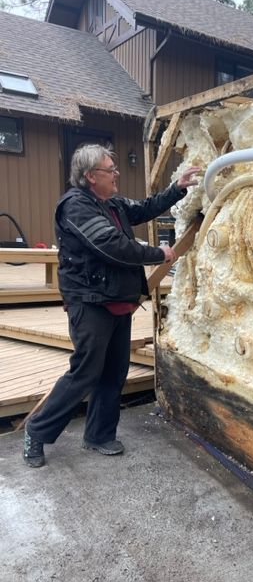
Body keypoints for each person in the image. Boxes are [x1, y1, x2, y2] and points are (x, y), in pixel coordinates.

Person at [23, 144, 199, 468]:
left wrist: (177, 188)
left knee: (115, 371)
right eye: (110, 170)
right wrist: (157, 254)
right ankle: (37, 431)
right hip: (90, 303)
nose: (116, 174)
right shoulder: (76, 207)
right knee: (85, 372)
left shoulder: (111, 203)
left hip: (118, 300)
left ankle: (99, 435)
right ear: (91, 176)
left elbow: (144, 208)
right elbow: (111, 246)